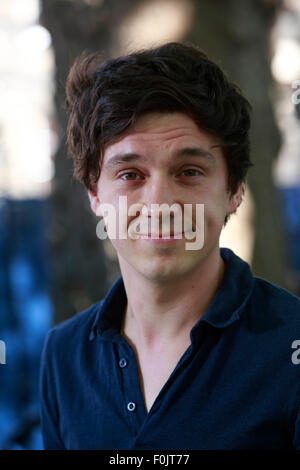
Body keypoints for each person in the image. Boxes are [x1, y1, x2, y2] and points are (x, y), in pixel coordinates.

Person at [39, 42, 300, 450]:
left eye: (189, 171)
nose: (159, 203)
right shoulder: (63, 355)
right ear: (95, 194)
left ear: (234, 190)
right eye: (130, 174)